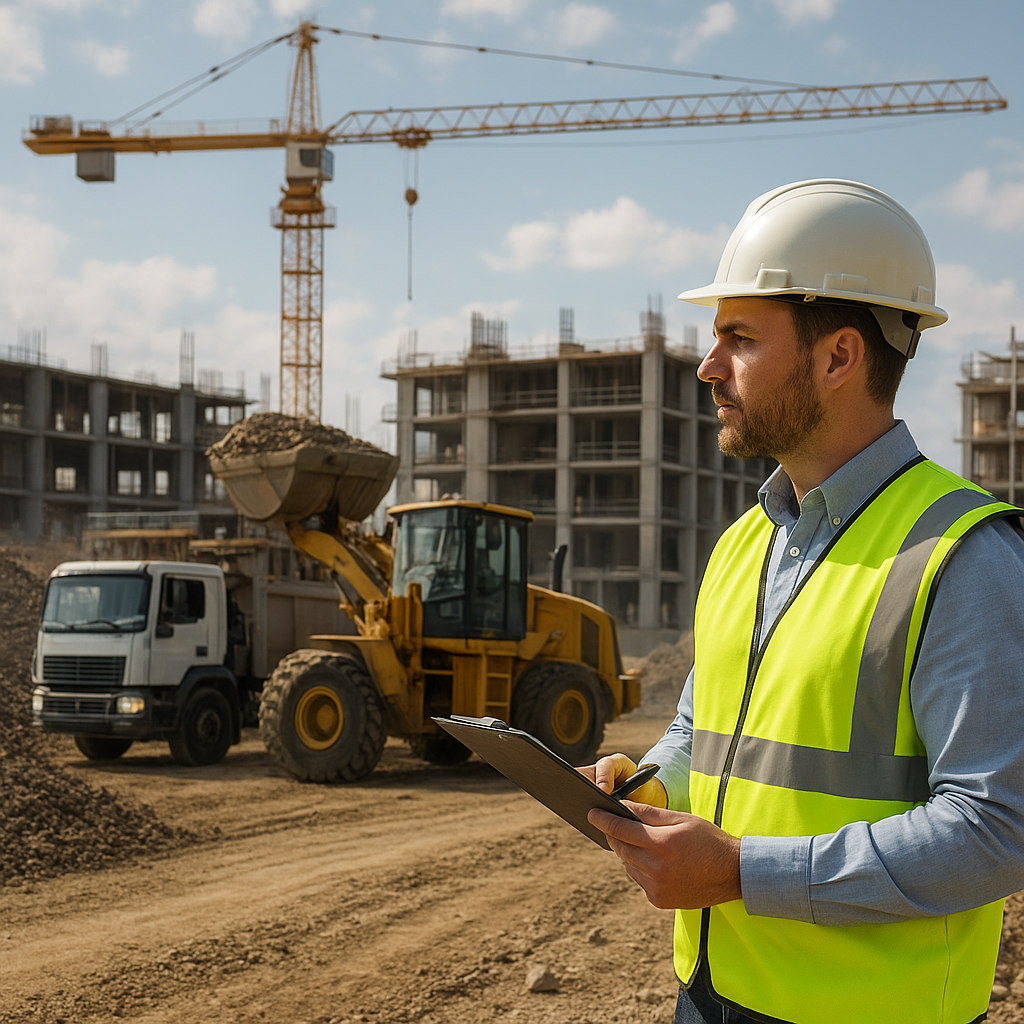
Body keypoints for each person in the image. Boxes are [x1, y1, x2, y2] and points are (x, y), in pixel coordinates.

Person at [583, 179, 1024, 1024]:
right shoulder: (747, 540)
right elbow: (700, 730)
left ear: (837, 358)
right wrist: (647, 784)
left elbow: (1000, 828)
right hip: (713, 995)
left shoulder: (962, 558)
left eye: (738, 338)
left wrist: (744, 872)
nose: (708, 366)